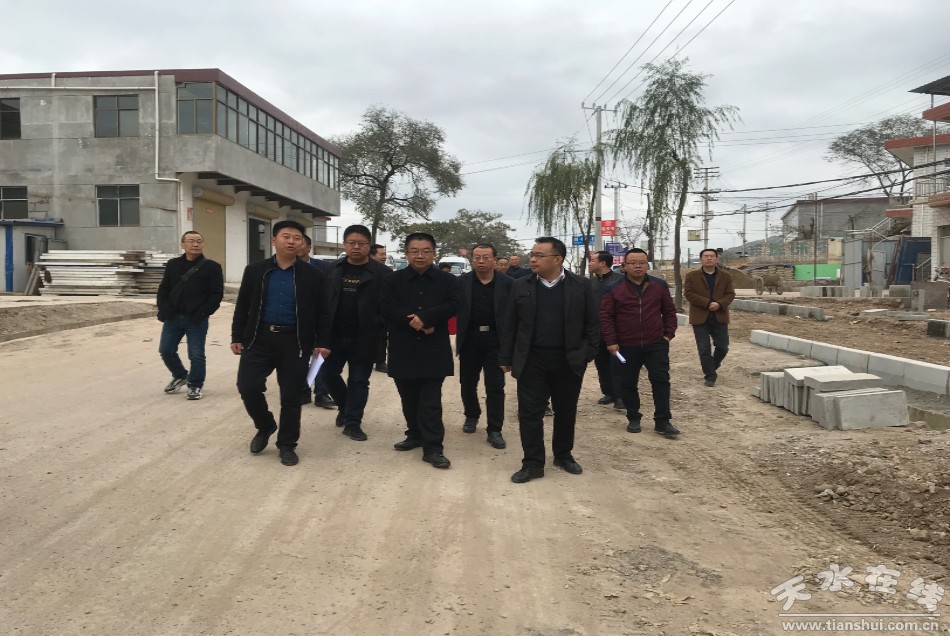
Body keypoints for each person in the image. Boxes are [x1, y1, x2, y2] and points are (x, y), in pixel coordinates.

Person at [231, 220, 331, 467]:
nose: (291, 241)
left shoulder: (314, 275)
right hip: (259, 339)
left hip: (294, 341)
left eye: (297, 238)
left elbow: (323, 312)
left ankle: (287, 444)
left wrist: (323, 341)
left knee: (291, 396)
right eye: (286, 236)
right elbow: (243, 306)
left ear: (303, 243)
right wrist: (236, 336)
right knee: (248, 387)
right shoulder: (255, 270)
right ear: (273, 240)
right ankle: (265, 425)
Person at [499, 237, 599, 483]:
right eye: (532, 254)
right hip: (532, 360)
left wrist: (587, 353)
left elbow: (593, 323)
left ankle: (563, 455)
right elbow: (510, 324)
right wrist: (506, 357)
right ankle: (532, 463)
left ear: (557, 259)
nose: (532, 259)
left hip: (568, 360)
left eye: (539, 255)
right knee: (529, 414)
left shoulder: (581, 285)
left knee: (566, 411)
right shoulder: (520, 285)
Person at [382, 232, 459, 469]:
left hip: (433, 347)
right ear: (406, 254)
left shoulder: (448, 280)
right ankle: (414, 434)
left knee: (430, 400)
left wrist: (427, 318)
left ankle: (433, 447)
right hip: (403, 346)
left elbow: (454, 304)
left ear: (434, 253)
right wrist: (414, 322)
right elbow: (386, 307)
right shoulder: (392, 280)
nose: (420, 255)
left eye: (426, 251)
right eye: (414, 251)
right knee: (408, 396)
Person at [600, 248, 679, 439]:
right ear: (624, 266)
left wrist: (668, 335)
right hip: (625, 345)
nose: (638, 266)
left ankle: (663, 420)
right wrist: (611, 341)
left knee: (661, 380)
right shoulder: (613, 288)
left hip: (656, 343)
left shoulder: (659, 285)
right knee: (628, 382)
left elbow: (669, 311)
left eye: (642, 262)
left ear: (647, 265)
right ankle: (633, 417)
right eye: (633, 263)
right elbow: (606, 317)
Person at [322, 225, 391, 442]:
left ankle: (353, 423)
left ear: (369, 246)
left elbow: (389, 306)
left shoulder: (383, 274)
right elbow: (322, 301)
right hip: (334, 335)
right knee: (327, 375)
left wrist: (379, 324)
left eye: (361, 243)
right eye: (352, 243)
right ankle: (345, 406)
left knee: (359, 381)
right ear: (344, 245)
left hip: (365, 336)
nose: (356, 247)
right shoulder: (332, 269)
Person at [456, 243, 512, 449]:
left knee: (495, 386)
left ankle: (495, 429)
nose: (480, 261)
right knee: (467, 383)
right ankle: (471, 415)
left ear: (495, 260)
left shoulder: (508, 284)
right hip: (470, 340)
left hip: (496, 341)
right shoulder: (461, 282)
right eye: (476, 257)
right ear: (472, 259)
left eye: (486, 257)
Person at [156, 231, 224, 401]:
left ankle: (195, 385)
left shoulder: (212, 267)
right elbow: (164, 288)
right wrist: (163, 308)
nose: (195, 244)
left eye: (199, 241)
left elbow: (216, 294)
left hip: (197, 319)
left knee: (196, 354)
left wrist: (204, 312)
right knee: (166, 350)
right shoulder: (173, 264)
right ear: (183, 245)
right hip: (173, 317)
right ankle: (180, 375)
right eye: (191, 241)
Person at [683, 248, 735, 387]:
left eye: (712, 256)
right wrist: (707, 303)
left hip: (720, 315)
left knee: (723, 347)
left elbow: (730, 294)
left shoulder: (725, 276)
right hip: (700, 317)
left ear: (716, 259)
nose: (709, 258)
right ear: (701, 259)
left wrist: (719, 304)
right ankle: (710, 375)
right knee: (704, 349)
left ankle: (712, 365)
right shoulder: (692, 276)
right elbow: (688, 293)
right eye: (706, 256)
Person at [298, 235, 337, 410]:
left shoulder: (324, 268)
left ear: (309, 248)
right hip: (298, 321)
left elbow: (329, 292)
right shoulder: (285, 268)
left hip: (320, 318)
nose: (297, 246)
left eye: (301, 243)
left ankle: (322, 394)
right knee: (300, 358)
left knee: (319, 357)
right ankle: (303, 391)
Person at [588, 250, 624, 410]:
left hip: (617, 330)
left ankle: (620, 396)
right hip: (597, 330)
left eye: (592, 260)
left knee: (617, 363)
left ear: (602, 263)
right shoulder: (591, 283)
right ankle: (608, 392)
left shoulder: (620, 280)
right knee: (601, 363)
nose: (590, 263)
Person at [370, 243, 391, 373]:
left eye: (385, 254)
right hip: (364, 309)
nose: (384, 257)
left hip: (381, 310)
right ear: (372, 256)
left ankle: (380, 361)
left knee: (381, 337)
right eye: (381, 254)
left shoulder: (387, 271)